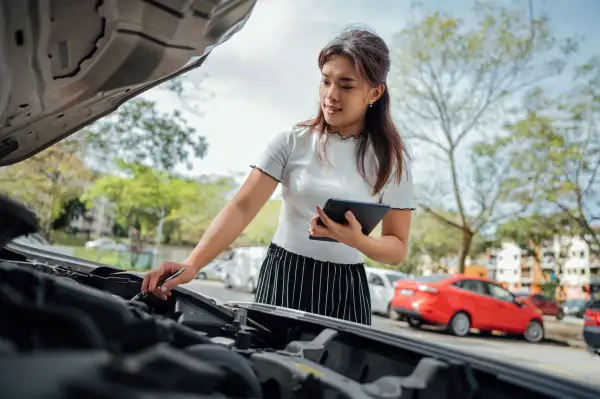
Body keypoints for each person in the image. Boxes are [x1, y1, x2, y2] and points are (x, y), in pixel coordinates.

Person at [141, 28, 414, 326]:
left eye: (346, 86)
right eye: (325, 81)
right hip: (285, 274)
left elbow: (397, 247)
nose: (331, 95)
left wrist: (358, 240)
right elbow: (242, 208)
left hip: (346, 289)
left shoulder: (392, 161)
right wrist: (192, 263)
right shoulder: (291, 141)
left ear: (375, 92)